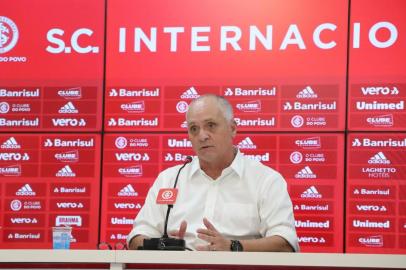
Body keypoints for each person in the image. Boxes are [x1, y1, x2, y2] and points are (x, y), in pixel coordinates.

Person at [127, 94, 299, 252]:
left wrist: (234, 247)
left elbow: (285, 243)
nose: (202, 136)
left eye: (211, 125)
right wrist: (164, 245)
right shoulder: (169, 179)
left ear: (232, 128)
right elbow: (136, 239)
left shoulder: (265, 180)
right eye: (194, 128)